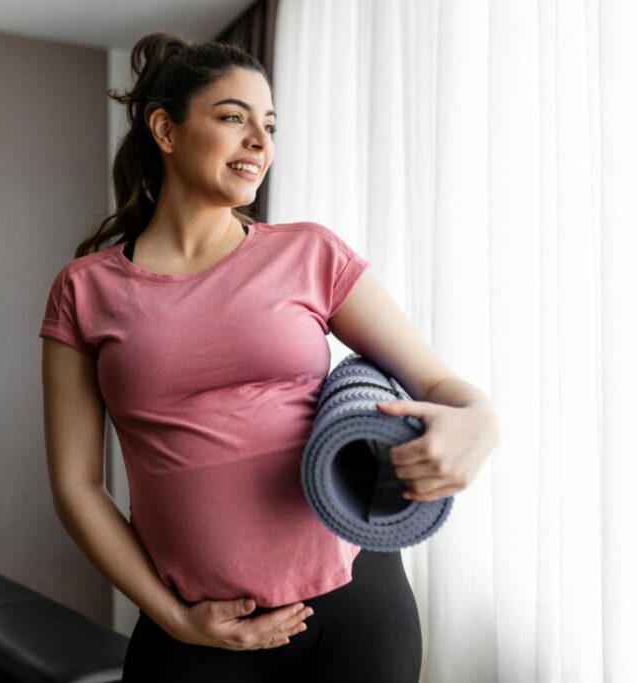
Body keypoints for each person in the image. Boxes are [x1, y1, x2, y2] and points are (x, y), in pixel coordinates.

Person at [38, 30, 499, 683]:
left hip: (357, 608)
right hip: (196, 633)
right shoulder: (85, 291)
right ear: (165, 130)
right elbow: (77, 484)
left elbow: (443, 385)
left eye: (270, 125)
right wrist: (172, 615)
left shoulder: (311, 253)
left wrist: (479, 421)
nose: (260, 141)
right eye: (233, 118)